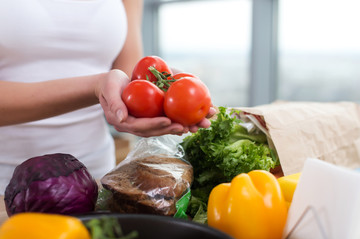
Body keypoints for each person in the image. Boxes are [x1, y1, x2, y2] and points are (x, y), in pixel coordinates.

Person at [0, 0, 215, 194]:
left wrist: (156, 93)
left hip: (94, 176)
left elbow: (128, 74)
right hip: (7, 183)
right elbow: (109, 83)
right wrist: (96, 86)